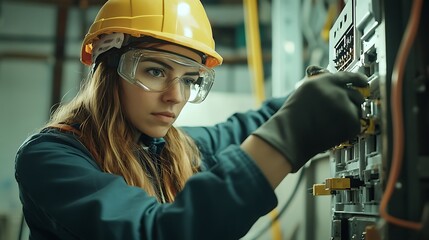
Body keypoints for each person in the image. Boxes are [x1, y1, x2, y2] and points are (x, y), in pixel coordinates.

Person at [14, 0, 368, 239]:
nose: (177, 96)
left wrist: (316, 89)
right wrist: (287, 137)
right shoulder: (50, 159)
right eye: (155, 70)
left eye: (190, 79)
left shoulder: (175, 148)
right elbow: (156, 232)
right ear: (107, 70)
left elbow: (250, 125)